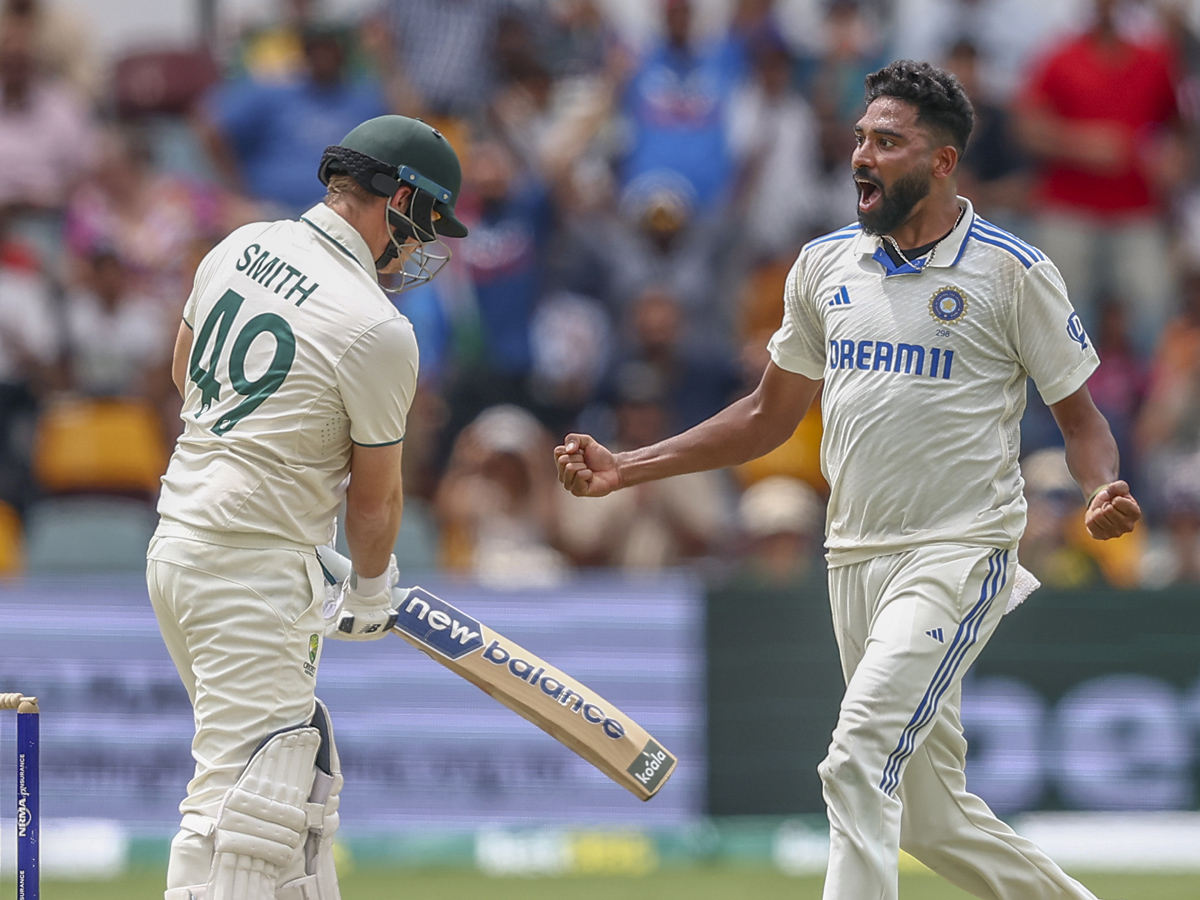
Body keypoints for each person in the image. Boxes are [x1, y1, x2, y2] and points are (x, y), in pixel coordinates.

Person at [555, 60, 1141, 900]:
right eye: (862, 137)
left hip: (957, 550)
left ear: (941, 163)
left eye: (888, 142)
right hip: (852, 556)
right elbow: (766, 416)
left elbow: (1081, 421)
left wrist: (1100, 488)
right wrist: (628, 468)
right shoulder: (823, 267)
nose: (863, 155)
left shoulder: (1013, 272)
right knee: (934, 822)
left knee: (857, 761)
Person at [145, 114, 468, 900]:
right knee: (242, 803)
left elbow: (185, 370)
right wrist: (368, 588)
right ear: (397, 198)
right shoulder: (376, 327)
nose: (424, 246)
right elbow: (377, 491)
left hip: (181, 547)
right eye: (427, 222)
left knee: (299, 796)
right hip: (249, 572)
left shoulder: (240, 245)